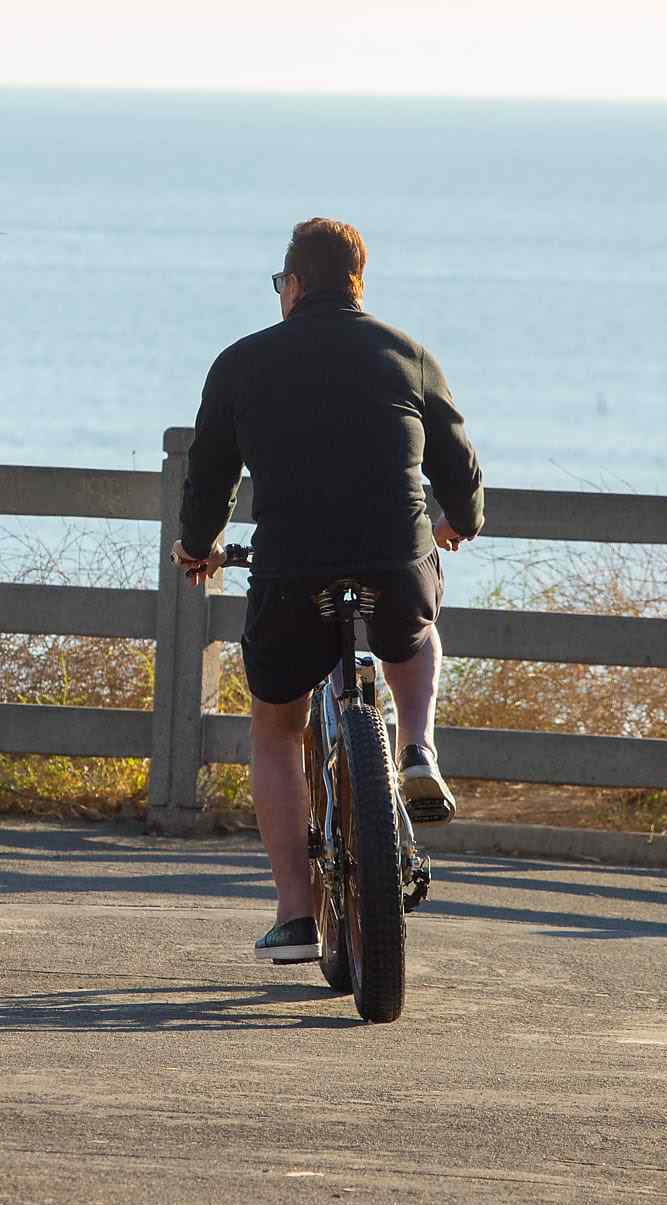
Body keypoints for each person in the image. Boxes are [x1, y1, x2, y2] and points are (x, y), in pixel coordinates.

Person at [171, 218, 484, 965]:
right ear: (358, 285)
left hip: (292, 579)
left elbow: (209, 475)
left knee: (276, 728)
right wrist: (458, 523)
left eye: (280, 283)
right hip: (396, 569)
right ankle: (417, 747)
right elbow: (460, 465)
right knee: (415, 629)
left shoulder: (242, 362)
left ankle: (294, 915)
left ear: (296, 284)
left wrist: (195, 547)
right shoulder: (407, 355)